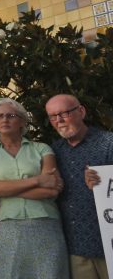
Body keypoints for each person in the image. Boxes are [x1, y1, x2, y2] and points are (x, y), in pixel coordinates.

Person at [0, 97, 68, 278]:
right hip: (6, 226)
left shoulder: (42, 149)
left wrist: (5, 189)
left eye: (11, 115)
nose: (4, 120)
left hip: (45, 223)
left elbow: (51, 189)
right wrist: (37, 180)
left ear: (23, 121)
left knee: (50, 274)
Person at [47, 94, 113, 279]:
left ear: (81, 111)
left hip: (109, 244)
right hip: (76, 248)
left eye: (64, 113)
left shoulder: (109, 143)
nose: (59, 120)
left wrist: (103, 185)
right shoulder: (53, 152)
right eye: (53, 116)